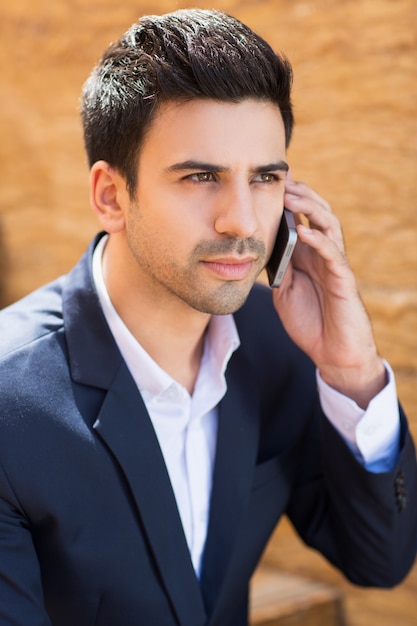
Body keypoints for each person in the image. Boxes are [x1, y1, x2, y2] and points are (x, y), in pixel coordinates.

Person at [0, 8, 416, 626]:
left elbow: (379, 561)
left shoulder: (281, 346)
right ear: (111, 196)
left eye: (266, 178)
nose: (243, 221)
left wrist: (350, 371)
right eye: (200, 177)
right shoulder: (11, 400)